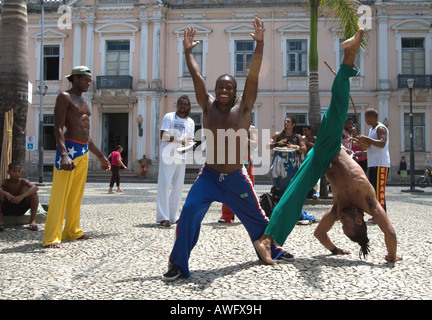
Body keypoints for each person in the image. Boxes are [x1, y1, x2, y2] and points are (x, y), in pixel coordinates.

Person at [162, 18, 289, 282]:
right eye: (220, 87)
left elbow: (252, 76)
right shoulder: (206, 105)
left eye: (228, 88)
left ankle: (271, 248)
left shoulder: (243, 107)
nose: (223, 91)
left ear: (234, 92)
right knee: (188, 213)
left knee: (256, 216)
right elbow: (197, 76)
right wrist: (188, 52)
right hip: (209, 176)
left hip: (234, 177)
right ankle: (178, 263)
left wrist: (260, 44)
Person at [263, 28, 402, 263]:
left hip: (319, 160)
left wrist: (334, 249)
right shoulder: (369, 203)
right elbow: (390, 232)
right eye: (347, 224)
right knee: (338, 113)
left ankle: (270, 237)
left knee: (294, 195)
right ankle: (349, 56)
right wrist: (391, 255)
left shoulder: (339, 209)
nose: (342, 221)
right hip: (330, 148)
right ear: (360, 220)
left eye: (342, 225)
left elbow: (319, 232)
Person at [42, 66, 111, 248]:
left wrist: (101, 156)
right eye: (85, 79)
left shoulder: (83, 101)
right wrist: (64, 154)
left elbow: (86, 135)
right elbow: (57, 127)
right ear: (75, 78)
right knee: (60, 195)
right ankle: (51, 237)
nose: (89, 83)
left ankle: (72, 231)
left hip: (82, 151)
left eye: (89, 80)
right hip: (68, 150)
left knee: (76, 196)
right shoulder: (64, 96)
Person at [156, 95, 195, 227]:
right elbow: (164, 136)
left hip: (181, 156)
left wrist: (188, 145)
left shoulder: (190, 122)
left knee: (178, 188)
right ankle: (163, 217)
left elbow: (190, 140)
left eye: (185, 104)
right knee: (164, 185)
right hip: (167, 154)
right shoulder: (169, 117)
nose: (182, 106)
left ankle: (173, 216)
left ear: (189, 106)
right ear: (177, 105)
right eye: (180, 103)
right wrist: (179, 140)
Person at [218, 125, 257, 223]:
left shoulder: (252, 129)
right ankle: (227, 215)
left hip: (246, 161)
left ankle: (249, 215)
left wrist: (244, 138)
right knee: (229, 188)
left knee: (248, 189)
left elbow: (254, 144)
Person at [356, 109, 390, 214]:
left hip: (381, 163)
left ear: (371, 117)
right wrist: (362, 150)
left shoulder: (380, 129)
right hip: (373, 163)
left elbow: (382, 143)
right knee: (373, 190)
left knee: (379, 191)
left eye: (366, 118)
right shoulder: (371, 130)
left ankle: (381, 214)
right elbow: (373, 147)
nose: (365, 120)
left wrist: (367, 139)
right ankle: (376, 213)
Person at [0, 162, 39, 231]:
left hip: (21, 207)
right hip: (7, 208)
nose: (17, 173)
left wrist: (22, 196)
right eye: (14, 171)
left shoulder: (23, 181)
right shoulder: (5, 182)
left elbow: (35, 188)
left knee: (34, 194)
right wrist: (5, 193)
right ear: (8, 172)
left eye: (19, 171)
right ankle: (0, 221)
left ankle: (33, 221)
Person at [302, 125, 320, 199]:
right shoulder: (302, 139)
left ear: (310, 131)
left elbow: (318, 147)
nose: (304, 132)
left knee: (316, 177)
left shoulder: (315, 139)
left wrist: (309, 143)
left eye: (306, 130)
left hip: (314, 160)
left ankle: (316, 193)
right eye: (303, 131)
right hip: (305, 160)